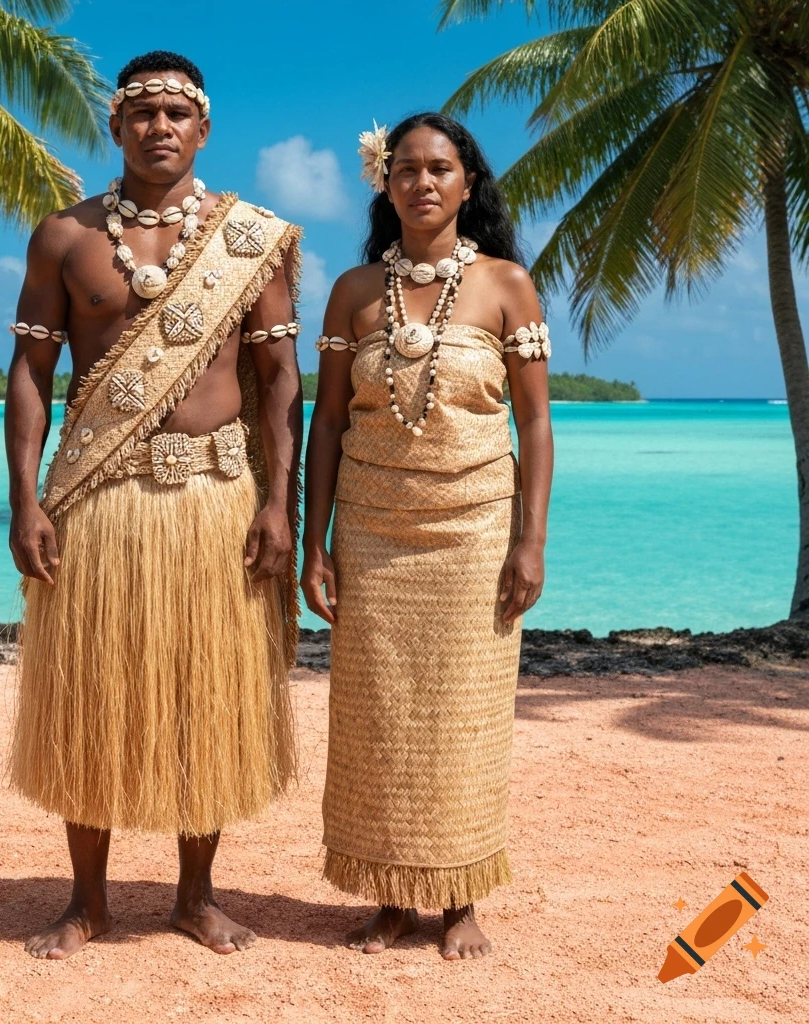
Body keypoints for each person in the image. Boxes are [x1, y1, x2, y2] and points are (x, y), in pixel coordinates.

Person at [4, 50, 304, 959]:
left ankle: (195, 896)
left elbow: (282, 377)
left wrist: (279, 503)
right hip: (97, 501)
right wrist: (25, 501)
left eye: (178, 113)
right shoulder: (64, 236)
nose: (160, 127)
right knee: (91, 694)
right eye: (143, 113)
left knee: (204, 696)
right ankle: (87, 901)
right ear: (116, 127)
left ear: (203, 129)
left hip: (215, 495)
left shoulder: (253, 237)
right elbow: (30, 373)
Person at [301, 113, 553, 960]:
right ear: (385, 182)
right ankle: (391, 898)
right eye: (405, 169)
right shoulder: (352, 291)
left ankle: (460, 902)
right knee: (379, 717)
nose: (422, 183)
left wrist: (531, 541)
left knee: (465, 717)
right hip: (372, 530)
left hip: (477, 531)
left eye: (440, 168)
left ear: (467, 183)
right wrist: (316, 543)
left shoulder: (509, 285)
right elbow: (328, 419)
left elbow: (537, 424)